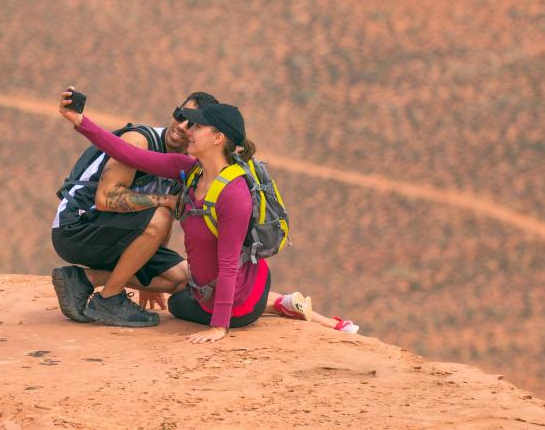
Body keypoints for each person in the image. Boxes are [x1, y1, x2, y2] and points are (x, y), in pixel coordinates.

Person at [59, 89, 361, 342]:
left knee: (179, 302)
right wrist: (81, 122)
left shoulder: (233, 193)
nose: (188, 131)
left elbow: (229, 265)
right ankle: (287, 304)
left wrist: (219, 326)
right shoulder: (190, 171)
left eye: (197, 127)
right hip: (209, 287)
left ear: (218, 138)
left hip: (239, 304)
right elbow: (130, 154)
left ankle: (288, 308)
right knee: (179, 284)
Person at [51, 90, 218, 328]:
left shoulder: (187, 165)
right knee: (160, 212)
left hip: (117, 233)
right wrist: (164, 201)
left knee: (184, 279)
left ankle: (84, 279)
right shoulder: (140, 140)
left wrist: (144, 264)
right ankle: (109, 300)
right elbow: (106, 198)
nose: (181, 126)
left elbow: (167, 220)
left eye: (192, 124)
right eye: (180, 115)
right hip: (76, 228)